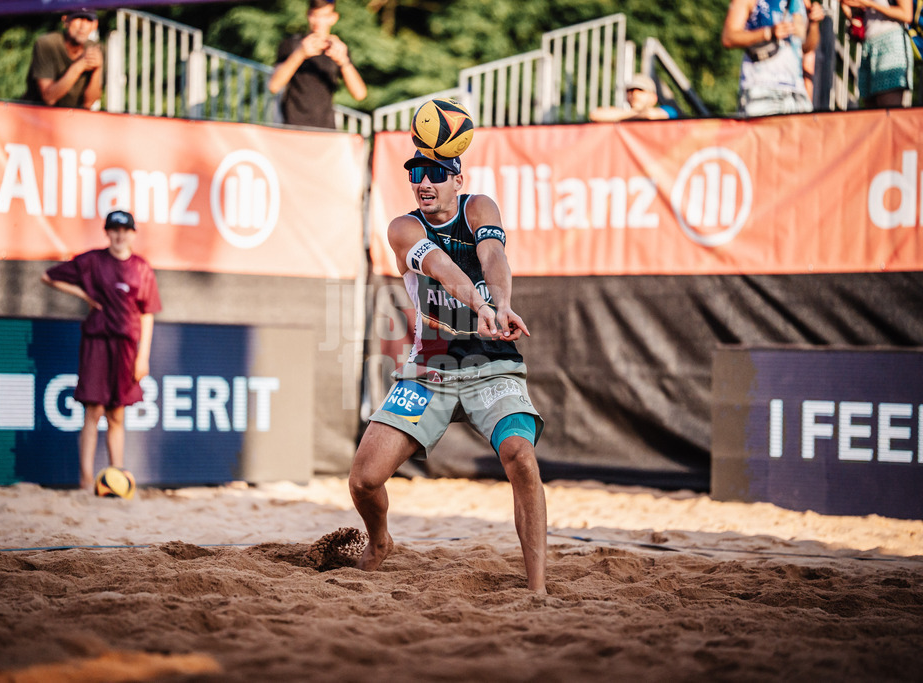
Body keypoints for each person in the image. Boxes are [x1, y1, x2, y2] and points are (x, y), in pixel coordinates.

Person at [348, 151, 548, 593]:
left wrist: (501, 304)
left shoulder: (479, 208)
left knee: (521, 457)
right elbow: (440, 267)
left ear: (458, 180)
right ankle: (380, 542)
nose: (424, 182)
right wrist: (479, 304)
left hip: (492, 366)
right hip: (429, 371)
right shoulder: (403, 228)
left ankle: (537, 590)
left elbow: (493, 256)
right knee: (364, 480)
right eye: (417, 174)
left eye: (436, 174)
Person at [41, 210, 161, 492]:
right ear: (107, 232)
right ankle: (85, 481)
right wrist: (83, 294)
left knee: (117, 414)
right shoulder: (92, 261)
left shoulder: (141, 268)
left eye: (125, 230)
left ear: (133, 234)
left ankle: (117, 479)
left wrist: (143, 356)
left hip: (126, 347)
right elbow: (48, 276)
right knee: (93, 411)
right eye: (114, 229)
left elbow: (148, 313)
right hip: (97, 342)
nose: (119, 235)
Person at [268, 0, 367, 129]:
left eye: (324, 16)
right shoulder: (292, 45)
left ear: (334, 18)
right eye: (315, 15)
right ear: (308, 15)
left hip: (326, 128)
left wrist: (343, 61)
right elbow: (274, 86)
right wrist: (300, 54)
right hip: (293, 127)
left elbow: (360, 94)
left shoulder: (338, 48)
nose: (318, 22)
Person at [722, 0, 825, 116]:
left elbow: (807, 47)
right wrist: (768, 33)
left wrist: (813, 23)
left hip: (796, 92)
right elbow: (728, 37)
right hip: (760, 89)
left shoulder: (803, 2)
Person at [840, 0, 914, 108]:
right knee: (872, 112)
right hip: (868, 47)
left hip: (891, 45)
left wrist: (869, 3)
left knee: (888, 109)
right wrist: (851, 13)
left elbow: (906, 15)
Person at [24, 8, 103, 109]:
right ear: (66, 21)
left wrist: (97, 69)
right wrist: (79, 66)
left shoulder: (96, 49)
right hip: (35, 114)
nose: (83, 26)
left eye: (88, 20)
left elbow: (89, 103)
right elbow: (49, 98)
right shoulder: (47, 44)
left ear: (94, 25)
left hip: (73, 116)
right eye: (78, 18)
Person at [589, 74, 679, 122]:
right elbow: (595, 115)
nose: (635, 94)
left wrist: (619, 116)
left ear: (653, 97)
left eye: (640, 90)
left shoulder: (669, 110)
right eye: (630, 90)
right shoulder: (625, 114)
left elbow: (650, 115)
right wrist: (635, 114)